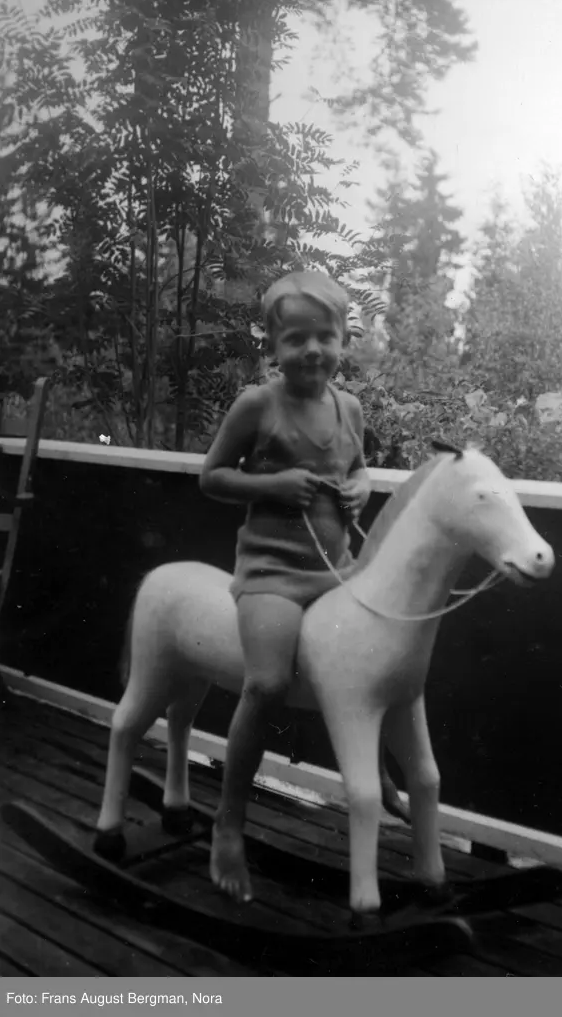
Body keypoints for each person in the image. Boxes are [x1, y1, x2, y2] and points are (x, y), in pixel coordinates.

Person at [200, 269, 371, 901]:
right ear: (273, 344)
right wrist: (270, 485)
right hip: (272, 574)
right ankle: (229, 822)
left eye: (325, 336)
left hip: (338, 572)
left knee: (380, 667)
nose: (312, 350)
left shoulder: (349, 409)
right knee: (268, 684)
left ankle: (379, 787)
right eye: (296, 338)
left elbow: (359, 470)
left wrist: (360, 489)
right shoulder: (258, 404)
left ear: (343, 339)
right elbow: (212, 477)